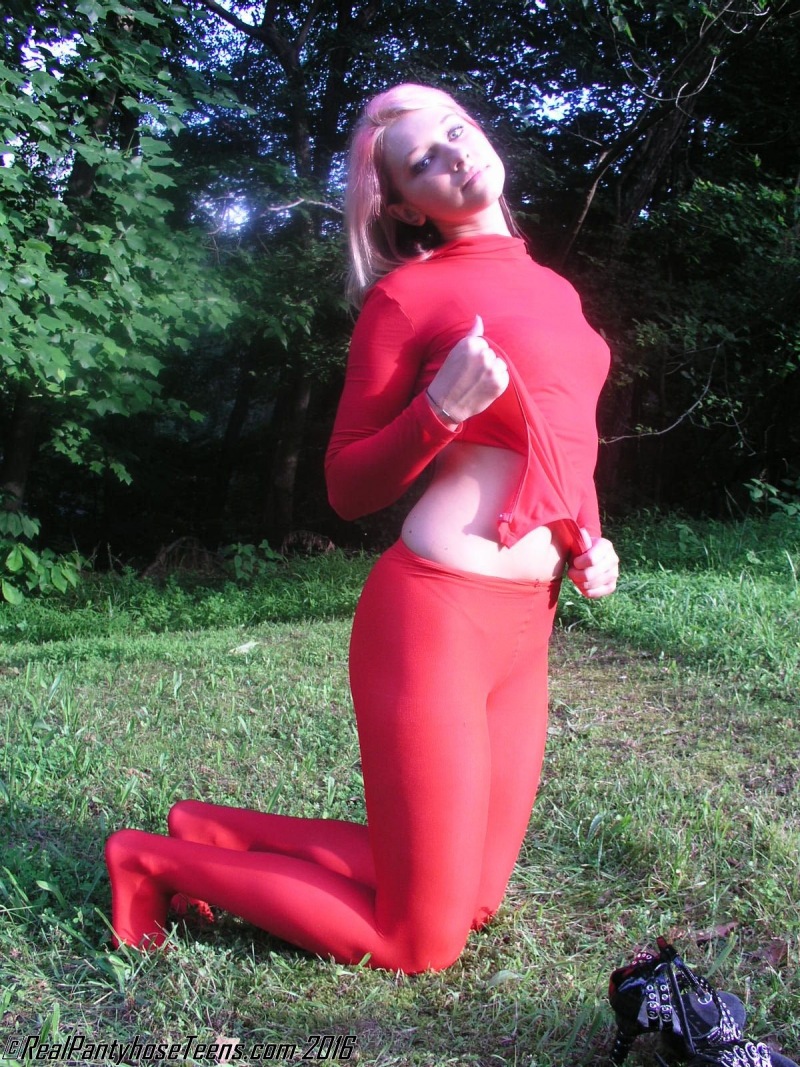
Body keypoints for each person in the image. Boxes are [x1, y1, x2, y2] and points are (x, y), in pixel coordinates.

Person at [105, 82, 618, 973]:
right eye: (424, 161)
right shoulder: (409, 297)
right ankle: (149, 860)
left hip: (527, 627)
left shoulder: (555, 290)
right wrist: (439, 410)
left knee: (476, 899)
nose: (454, 154)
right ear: (406, 206)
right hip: (435, 618)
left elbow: (570, 433)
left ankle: (213, 828)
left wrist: (589, 537)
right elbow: (345, 485)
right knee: (421, 942)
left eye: (456, 130)